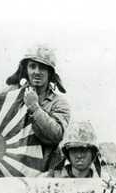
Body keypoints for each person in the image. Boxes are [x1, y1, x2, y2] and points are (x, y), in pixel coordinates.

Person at [6, 44, 71, 175]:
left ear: (50, 73)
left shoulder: (59, 103)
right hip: (12, 170)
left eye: (42, 68)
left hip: (44, 173)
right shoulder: (12, 96)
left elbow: (56, 135)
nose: (37, 72)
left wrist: (35, 108)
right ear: (25, 70)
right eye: (32, 66)